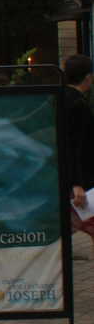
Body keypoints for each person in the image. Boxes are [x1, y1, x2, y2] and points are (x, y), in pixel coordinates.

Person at [64, 54, 94, 238]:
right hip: (83, 182)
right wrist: (76, 183)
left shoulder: (59, 98)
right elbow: (75, 144)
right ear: (88, 77)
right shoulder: (78, 104)